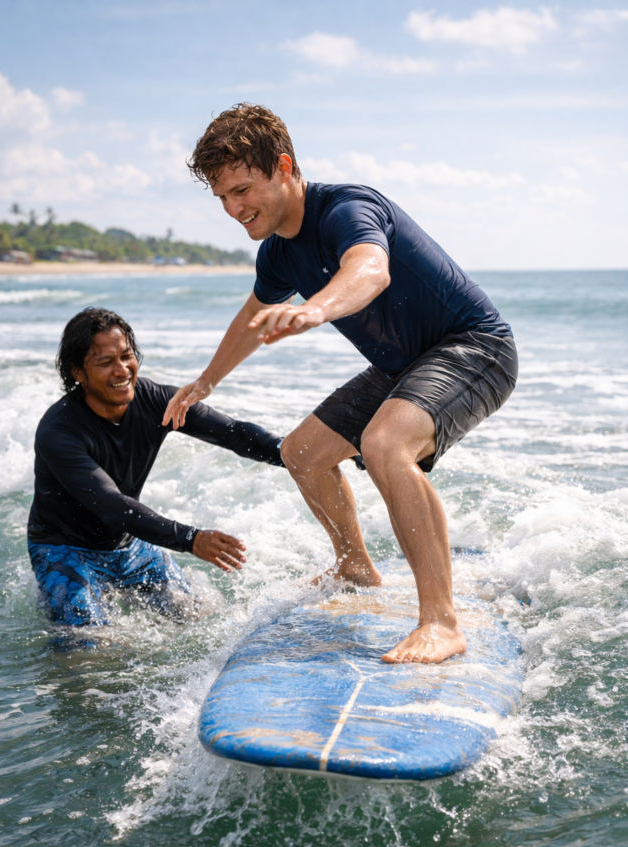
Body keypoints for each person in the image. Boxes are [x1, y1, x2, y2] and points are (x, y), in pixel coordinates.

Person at [164, 103, 517, 665]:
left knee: (385, 443)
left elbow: (370, 270)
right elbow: (252, 317)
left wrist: (316, 310)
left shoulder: (346, 210)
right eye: (223, 197)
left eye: (242, 189)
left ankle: (441, 623)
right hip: (403, 365)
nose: (233, 208)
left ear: (283, 167)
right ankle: (355, 566)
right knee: (300, 452)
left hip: (475, 348)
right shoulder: (278, 252)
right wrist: (205, 382)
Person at [28, 306, 284, 626]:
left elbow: (233, 433)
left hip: (126, 543)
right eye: (105, 362)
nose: (122, 370)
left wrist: (295, 452)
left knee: (193, 615)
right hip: (64, 549)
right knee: (87, 646)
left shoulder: (154, 401)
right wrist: (190, 539)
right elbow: (113, 507)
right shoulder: (60, 432)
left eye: (126, 355)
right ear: (77, 372)